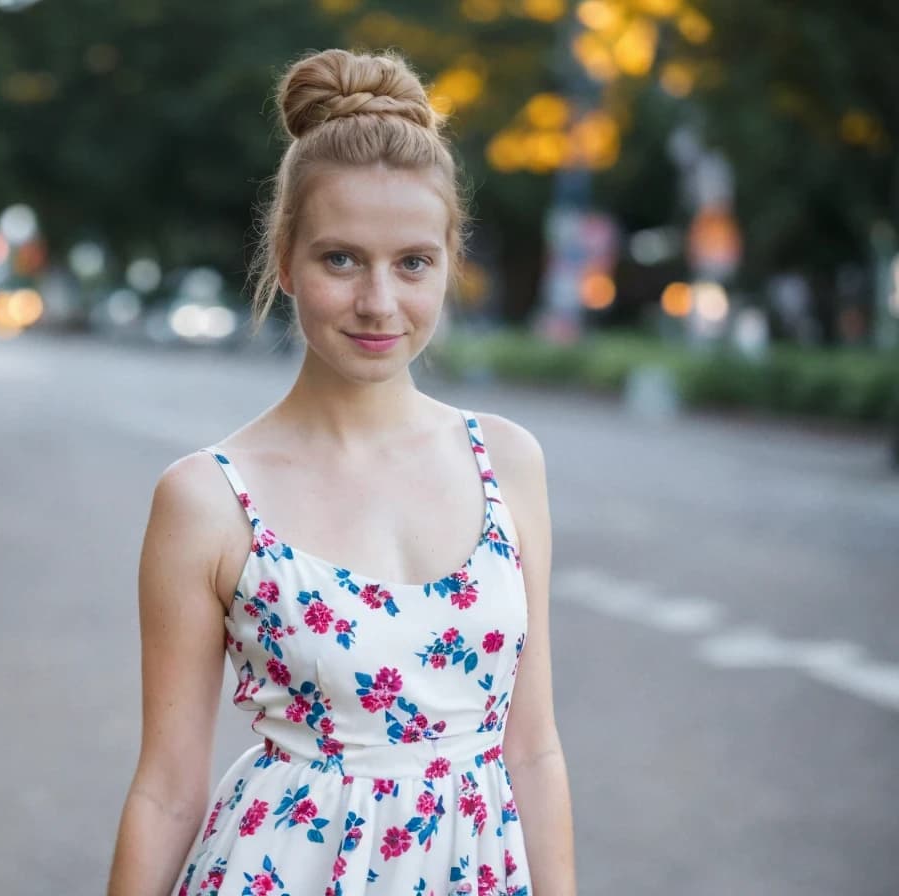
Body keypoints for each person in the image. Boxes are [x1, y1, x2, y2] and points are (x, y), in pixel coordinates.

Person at [108, 48, 576, 896]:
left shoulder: (508, 462)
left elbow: (533, 748)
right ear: (284, 261)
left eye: (412, 262)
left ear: (447, 264)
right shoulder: (208, 500)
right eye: (341, 259)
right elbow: (167, 789)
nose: (379, 303)